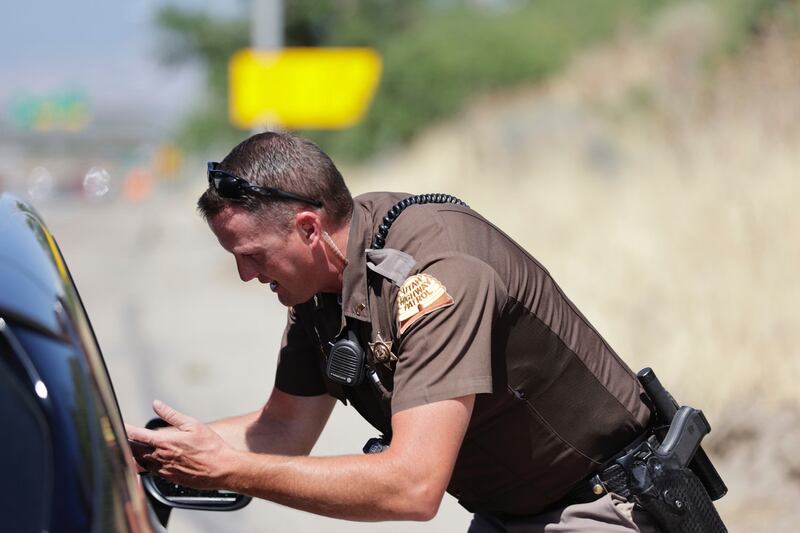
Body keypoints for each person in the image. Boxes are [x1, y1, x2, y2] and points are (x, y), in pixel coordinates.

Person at [126, 132, 660, 532]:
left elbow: (413, 487)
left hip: (603, 506)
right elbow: (282, 430)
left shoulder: (436, 274)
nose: (246, 276)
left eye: (252, 257)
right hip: (511, 513)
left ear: (308, 228)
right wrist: (136, 450)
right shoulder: (322, 289)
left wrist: (230, 471)